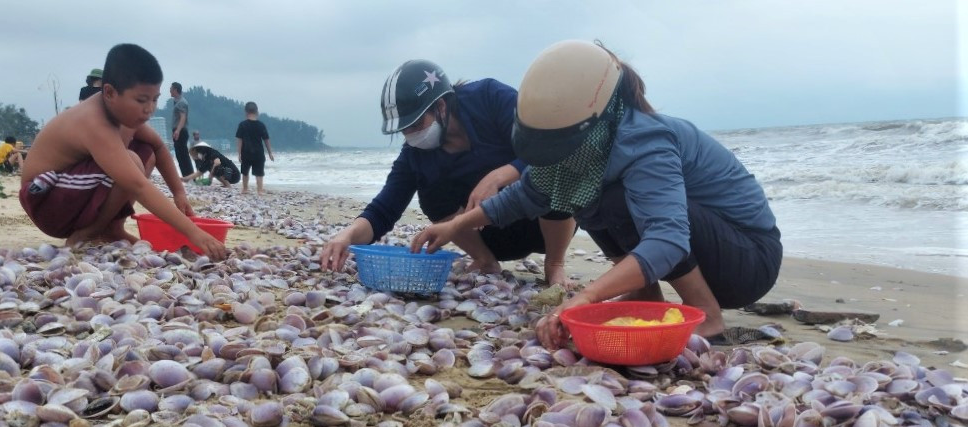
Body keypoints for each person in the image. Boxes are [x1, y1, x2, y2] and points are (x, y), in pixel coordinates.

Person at [412, 40, 781, 345]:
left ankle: (709, 318)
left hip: (747, 262)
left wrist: (586, 296)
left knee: (615, 202)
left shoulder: (644, 139)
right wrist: (455, 226)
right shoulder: (586, 149)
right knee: (587, 197)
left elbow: (668, 239)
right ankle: (644, 294)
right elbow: (525, 195)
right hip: (711, 249)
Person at [319, 60, 572, 285]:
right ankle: (486, 262)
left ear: (440, 106)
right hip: (491, 237)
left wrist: (499, 175)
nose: (411, 135)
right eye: (404, 129)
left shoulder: (490, 98)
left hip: (544, 223)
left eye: (417, 124)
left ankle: (555, 264)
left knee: (554, 176)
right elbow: (383, 210)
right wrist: (348, 235)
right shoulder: (414, 155)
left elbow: (551, 149)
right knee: (431, 195)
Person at [19, 43, 226, 257]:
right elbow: (137, 185)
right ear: (109, 92)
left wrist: (179, 192)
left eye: (155, 99)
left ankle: (112, 229)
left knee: (147, 152)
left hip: (72, 190)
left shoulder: (123, 115)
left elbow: (159, 147)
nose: (149, 108)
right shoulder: (94, 122)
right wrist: (195, 234)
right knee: (132, 162)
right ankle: (90, 232)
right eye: (141, 100)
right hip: (45, 200)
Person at [235, 101, 274, 194]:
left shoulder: (242, 124)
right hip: (258, 153)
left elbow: (239, 140)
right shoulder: (261, 125)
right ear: (257, 111)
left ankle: (245, 189)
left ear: (246, 112)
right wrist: (270, 153)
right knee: (259, 173)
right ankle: (260, 190)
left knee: (245, 172)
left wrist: (239, 153)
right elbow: (266, 140)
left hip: (246, 152)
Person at [169, 82, 193, 177]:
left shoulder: (182, 102)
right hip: (178, 130)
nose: (170, 91)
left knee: (183, 155)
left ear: (175, 90)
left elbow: (183, 117)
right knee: (180, 155)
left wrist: (177, 130)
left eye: (171, 89)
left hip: (181, 131)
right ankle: (186, 176)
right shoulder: (177, 101)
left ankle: (189, 176)